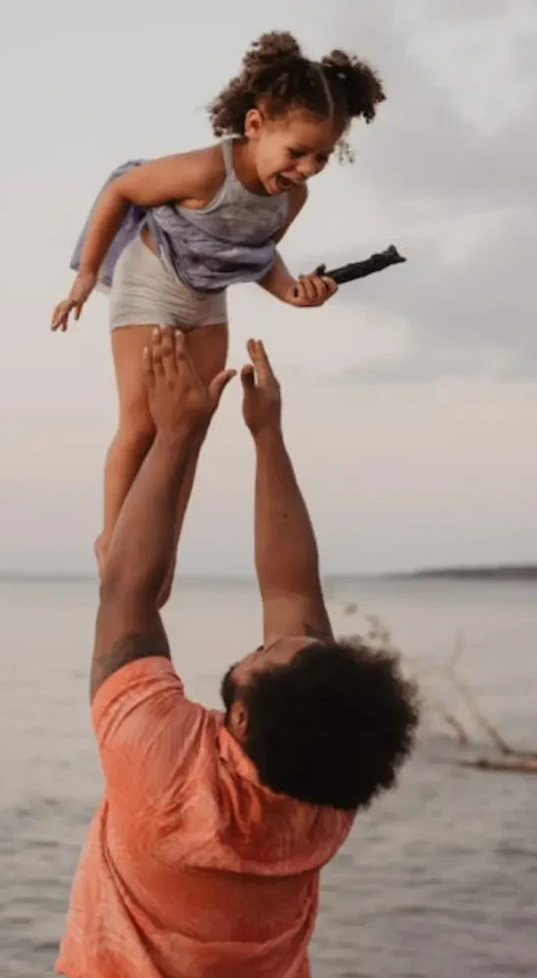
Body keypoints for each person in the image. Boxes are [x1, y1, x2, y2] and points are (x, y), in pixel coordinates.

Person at [55, 328, 419, 978]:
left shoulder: (164, 771)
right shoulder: (326, 788)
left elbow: (125, 588)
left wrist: (179, 434)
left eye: (269, 651)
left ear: (243, 719)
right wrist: (266, 436)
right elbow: (291, 588)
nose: (273, 636)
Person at [50, 31, 387, 601]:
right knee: (143, 422)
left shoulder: (291, 198)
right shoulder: (208, 170)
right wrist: (86, 275)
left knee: (189, 428)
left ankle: (159, 550)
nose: (307, 168)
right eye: (297, 151)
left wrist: (294, 293)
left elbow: (257, 256)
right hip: (150, 283)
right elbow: (122, 190)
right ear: (255, 125)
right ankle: (113, 541)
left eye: (322, 157)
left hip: (207, 299)